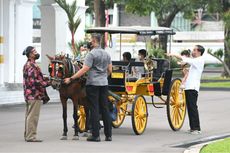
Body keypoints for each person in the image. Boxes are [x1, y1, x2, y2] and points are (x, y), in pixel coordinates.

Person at [64, 34, 113, 142]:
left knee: (94, 108)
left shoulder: (91, 54)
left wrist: (71, 78)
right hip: (104, 84)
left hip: (93, 84)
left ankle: (96, 135)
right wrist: (104, 77)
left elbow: (84, 69)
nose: (90, 42)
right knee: (104, 108)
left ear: (94, 41)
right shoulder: (106, 54)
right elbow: (110, 70)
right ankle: (108, 135)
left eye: (91, 40)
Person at [166, 45, 205, 135]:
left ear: (199, 52)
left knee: (192, 107)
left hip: (192, 87)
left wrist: (173, 54)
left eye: (194, 50)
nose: (193, 51)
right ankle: (193, 128)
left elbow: (186, 59)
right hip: (189, 87)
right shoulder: (195, 61)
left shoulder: (199, 60)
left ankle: (196, 128)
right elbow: (187, 68)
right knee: (190, 107)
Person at [23, 46, 50, 142]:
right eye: (34, 51)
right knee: (33, 116)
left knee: (29, 115)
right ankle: (31, 137)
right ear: (30, 54)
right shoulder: (32, 65)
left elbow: (34, 78)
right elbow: (34, 81)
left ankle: (27, 135)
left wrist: (44, 78)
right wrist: (48, 83)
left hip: (30, 94)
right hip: (34, 94)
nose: (36, 53)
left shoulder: (28, 64)